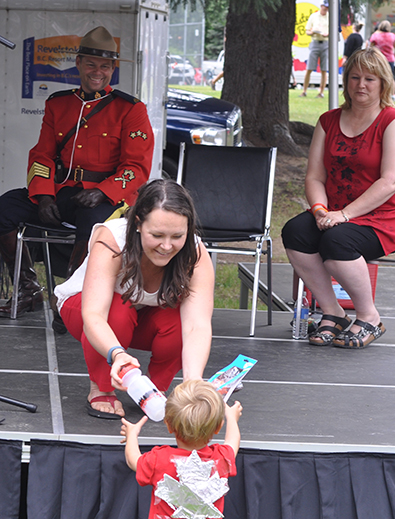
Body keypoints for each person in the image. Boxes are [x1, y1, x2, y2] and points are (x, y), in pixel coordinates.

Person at [0, 26, 154, 322]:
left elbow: (136, 168)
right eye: (92, 64)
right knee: (5, 208)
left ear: (113, 69)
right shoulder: (59, 103)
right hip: (62, 191)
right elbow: (41, 155)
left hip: (107, 196)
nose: (98, 72)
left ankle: (71, 299)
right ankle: (28, 288)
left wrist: (103, 191)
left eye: (105, 66)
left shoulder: (131, 109)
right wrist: (43, 195)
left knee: (93, 224)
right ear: (79, 64)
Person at [282, 47, 395, 349]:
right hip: (335, 211)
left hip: (387, 215)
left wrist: (344, 215)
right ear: (345, 82)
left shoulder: (393, 122)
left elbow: (392, 180)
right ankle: (332, 311)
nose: (361, 85)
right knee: (295, 231)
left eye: (370, 79)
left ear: (384, 82)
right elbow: (315, 176)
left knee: (337, 241)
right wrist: (319, 210)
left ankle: (369, 316)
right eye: (355, 77)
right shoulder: (328, 121)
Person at [54, 179, 215, 418]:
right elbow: (93, 314)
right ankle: (101, 387)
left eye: (177, 236)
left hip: (140, 319)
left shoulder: (195, 252)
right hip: (88, 312)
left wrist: (194, 382)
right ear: (138, 223)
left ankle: (155, 391)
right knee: (119, 310)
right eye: (157, 235)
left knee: (177, 317)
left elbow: (197, 326)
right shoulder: (112, 240)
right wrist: (118, 355)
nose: (167, 246)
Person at [120, 380, 242, 519]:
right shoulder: (221, 457)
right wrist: (232, 418)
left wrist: (132, 435)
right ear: (219, 427)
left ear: (168, 425)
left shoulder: (158, 459)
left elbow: (133, 460)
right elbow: (233, 442)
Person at [301, 1, 329, 98]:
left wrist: (327, 34)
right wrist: (312, 32)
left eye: (328, 8)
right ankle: (304, 91)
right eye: (325, 7)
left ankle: (321, 92)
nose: (326, 9)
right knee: (309, 68)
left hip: (325, 43)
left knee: (324, 69)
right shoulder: (314, 16)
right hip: (315, 42)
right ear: (321, 6)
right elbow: (307, 31)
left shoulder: (330, 17)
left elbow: (334, 31)